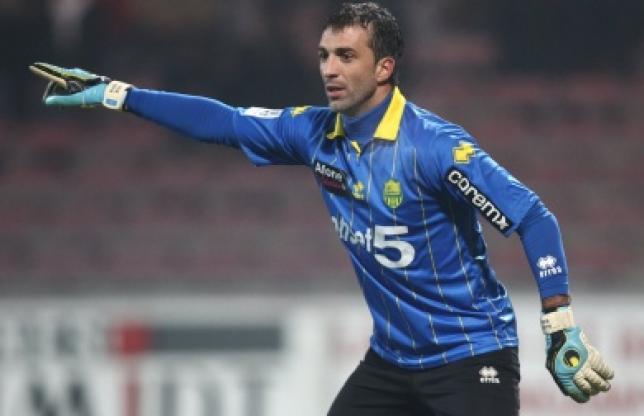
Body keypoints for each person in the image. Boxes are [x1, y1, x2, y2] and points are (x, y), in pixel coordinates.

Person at [30, 3, 614, 415]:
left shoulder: (436, 149)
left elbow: (533, 218)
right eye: (324, 55)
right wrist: (120, 94)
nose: (330, 69)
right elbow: (224, 122)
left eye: (346, 56)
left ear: (384, 67)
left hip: (470, 356)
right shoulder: (313, 134)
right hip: (392, 361)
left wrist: (558, 324)